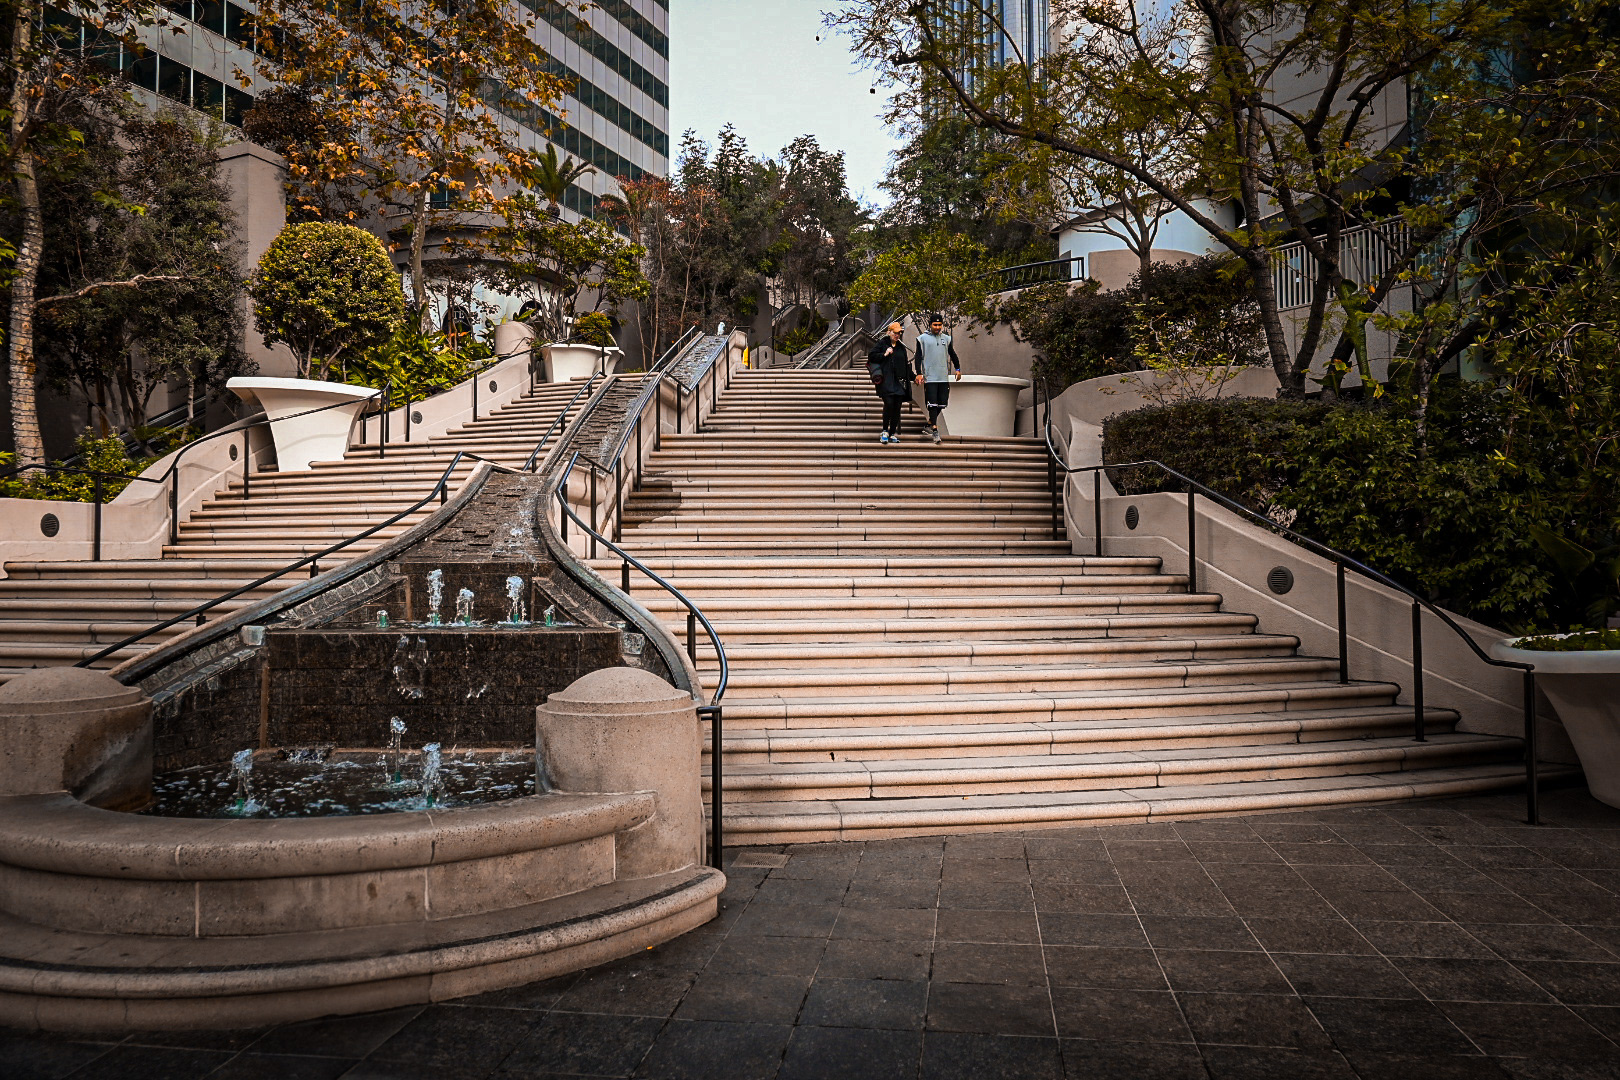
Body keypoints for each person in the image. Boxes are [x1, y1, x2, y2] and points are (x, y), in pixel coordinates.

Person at [912, 316, 962, 443]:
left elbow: (953, 354)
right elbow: (918, 357)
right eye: (935, 325)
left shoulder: (947, 338)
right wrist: (919, 373)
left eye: (939, 325)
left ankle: (929, 424)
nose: (937, 327)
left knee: (942, 403)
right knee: (932, 404)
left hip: (943, 377)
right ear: (930, 325)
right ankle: (935, 430)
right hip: (930, 377)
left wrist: (958, 369)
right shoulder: (922, 339)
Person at [866, 321, 912, 444]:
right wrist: (884, 354)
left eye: (899, 333)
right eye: (895, 333)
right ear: (889, 332)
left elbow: (905, 365)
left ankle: (892, 433)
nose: (897, 335)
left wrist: (914, 376)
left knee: (897, 407)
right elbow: (871, 357)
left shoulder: (901, 347)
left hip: (899, 382)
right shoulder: (882, 344)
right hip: (886, 381)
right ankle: (885, 431)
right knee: (889, 404)